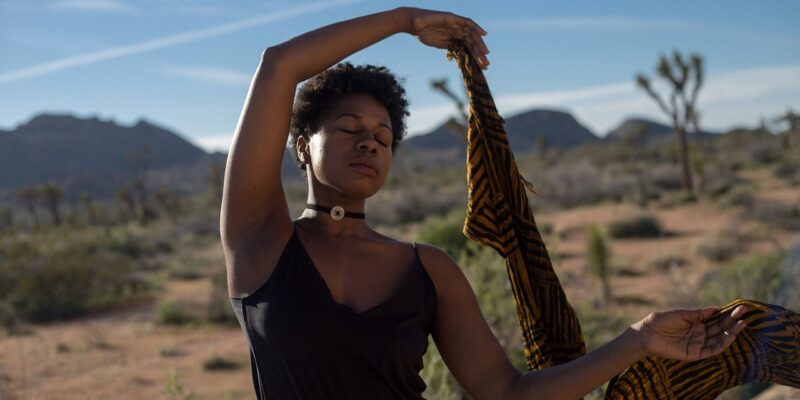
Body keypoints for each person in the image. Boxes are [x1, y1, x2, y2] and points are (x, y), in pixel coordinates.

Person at [221, 7, 748, 399]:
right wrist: (406, 19)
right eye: (349, 129)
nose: (369, 143)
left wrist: (638, 339)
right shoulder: (260, 239)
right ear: (301, 147)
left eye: (384, 138)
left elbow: (505, 392)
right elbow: (278, 65)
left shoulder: (428, 269)